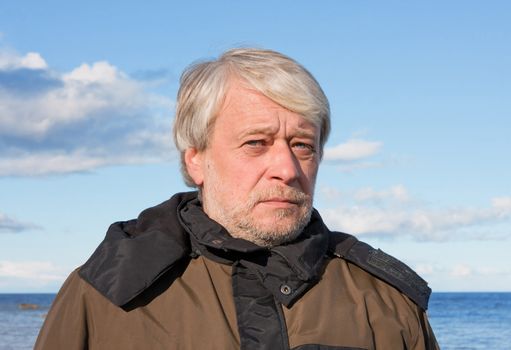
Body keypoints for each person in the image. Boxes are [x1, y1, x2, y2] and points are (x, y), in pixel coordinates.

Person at [35, 48, 439, 349]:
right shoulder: (109, 292)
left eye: (302, 145)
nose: (287, 168)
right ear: (196, 158)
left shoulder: (387, 301)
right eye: (255, 143)